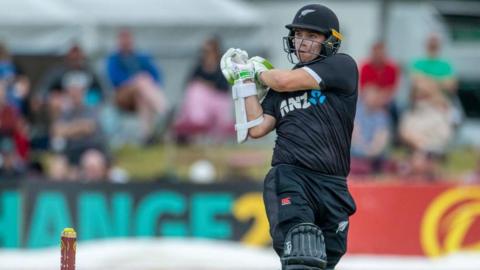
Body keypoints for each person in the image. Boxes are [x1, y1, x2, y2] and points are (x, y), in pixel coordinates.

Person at [221, 4, 357, 270]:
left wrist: (257, 71)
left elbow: (282, 81)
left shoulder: (341, 66)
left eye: (312, 36)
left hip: (333, 184)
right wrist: (246, 82)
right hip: (292, 177)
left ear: (330, 41)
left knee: (325, 261)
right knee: (302, 253)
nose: (302, 42)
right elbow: (257, 127)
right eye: (298, 34)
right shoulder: (280, 84)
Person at [106, 29, 170, 143]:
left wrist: (143, 82)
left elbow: (157, 75)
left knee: (142, 97)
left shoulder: (141, 57)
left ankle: (146, 136)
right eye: (123, 39)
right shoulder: (113, 59)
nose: (125, 42)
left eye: (128, 39)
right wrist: (135, 81)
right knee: (142, 80)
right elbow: (115, 79)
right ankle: (164, 111)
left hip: (140, 94)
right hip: (122, 96)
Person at [174, 37, 234, 144]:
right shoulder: (198, 67)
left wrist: (205, 84)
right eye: (204, 52)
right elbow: (189, 84)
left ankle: (200, 127)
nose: (206, 54)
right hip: (200, 105)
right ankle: (196, 126)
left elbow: (223, 87)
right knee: (195, 92)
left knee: (198, 91)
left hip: (218, 103)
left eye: (208, 51)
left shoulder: (223, 67)